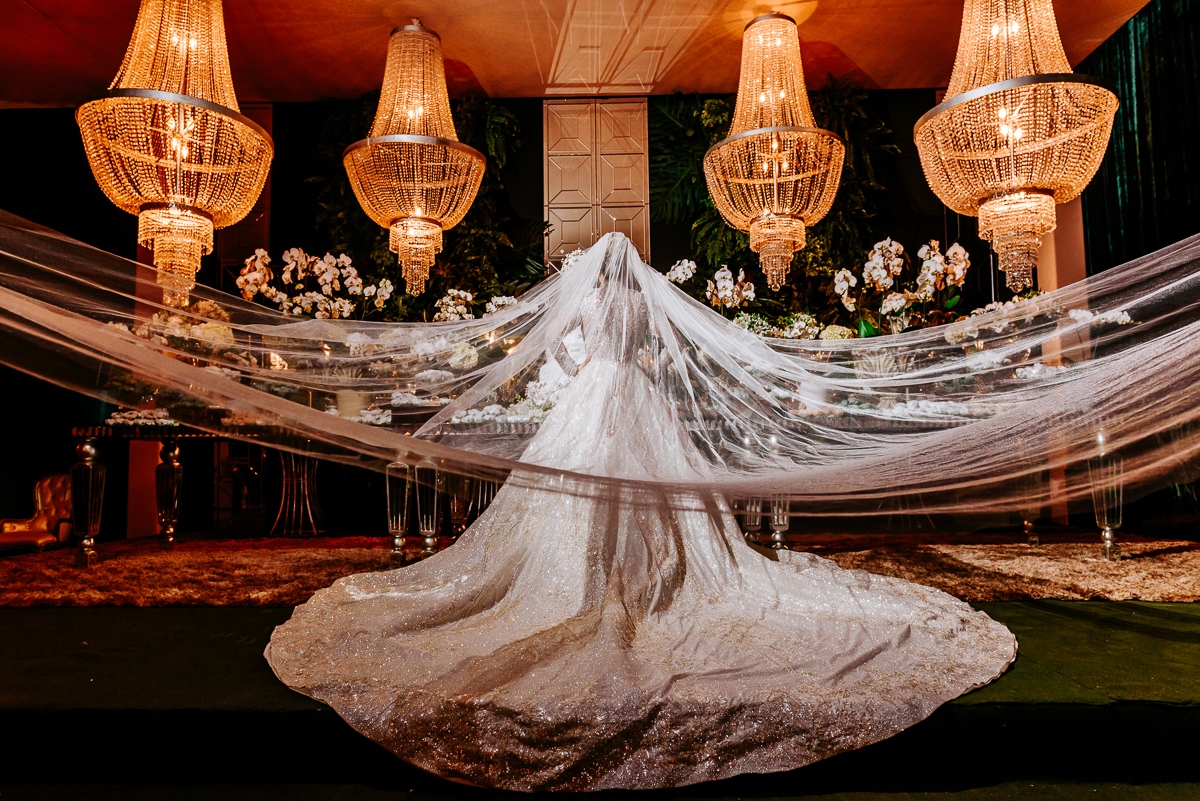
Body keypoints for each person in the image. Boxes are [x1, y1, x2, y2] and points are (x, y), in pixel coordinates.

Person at [265, 234, 1016, 791]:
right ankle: (653, 579)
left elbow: (562, 356)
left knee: (572, 503)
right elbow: (662, 357)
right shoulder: (639, 302)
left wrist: (578, 369)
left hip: (592, 401)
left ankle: (584, 582)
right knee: (666, 509)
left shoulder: (591, 300)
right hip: (642, 402)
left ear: (595, 271)